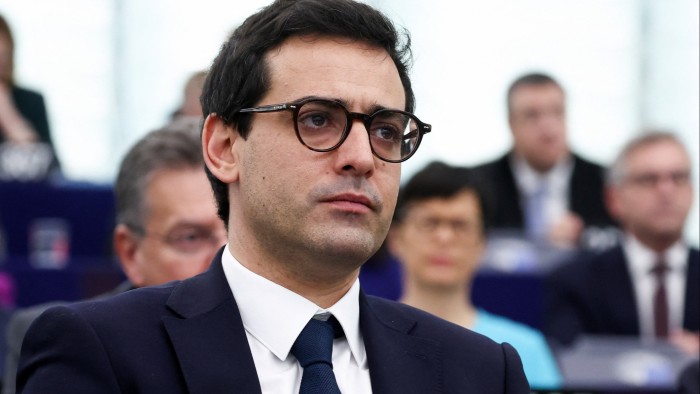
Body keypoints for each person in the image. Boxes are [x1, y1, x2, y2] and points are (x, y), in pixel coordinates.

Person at [17, 1, 529, 392]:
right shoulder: (99, 352)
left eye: (386, 130)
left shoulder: (482, 372)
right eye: (317, 119)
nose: (362, 157)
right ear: (223, 148)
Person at [4, 124, 225, 393]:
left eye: (237, 232)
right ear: (130, 253)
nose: (224, 256)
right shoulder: (67, 346)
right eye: (191, 238)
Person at [388, 161, 562, 390]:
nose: (444, 238)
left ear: (483, 244)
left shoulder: (525, 350)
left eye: (460, 225)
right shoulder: (363, 339)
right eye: (429, 223)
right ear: (396, 238)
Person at [543, 131, 699, 351]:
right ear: (614, 198)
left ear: (692, 191)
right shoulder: (575, 283)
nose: (666, 190)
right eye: (649, 180)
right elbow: (570, 366)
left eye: (678, 178)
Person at [472, 72, 615, 248]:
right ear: (511, 123)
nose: (548, 125)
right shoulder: (478, 185)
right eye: (532, 115)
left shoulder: (607, 182)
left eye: (557, 112)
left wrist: (583, 240)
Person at [0, 14, 60, 181]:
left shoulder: (31, 102)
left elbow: (53, 169)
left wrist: (10, 118)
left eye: (4, 58)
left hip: (24, 200)